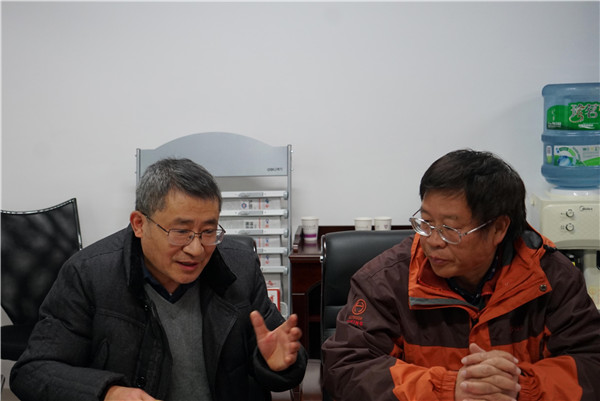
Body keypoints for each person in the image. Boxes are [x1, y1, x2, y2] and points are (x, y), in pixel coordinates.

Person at [10, 158, 307, 401]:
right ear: (139, 224)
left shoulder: (239, 266)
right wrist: (107, 392)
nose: (196, 249)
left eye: (208, 231)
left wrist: (279, 365)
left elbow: (276, 351)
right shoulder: (88, 274)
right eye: (181, 232)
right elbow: (33, 371)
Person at [322, 149, 600, 401]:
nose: (433, 241)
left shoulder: (551, 277)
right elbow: (346, 369)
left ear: (498, 229)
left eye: (450, 230)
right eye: (426, 223)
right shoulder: (385, 280)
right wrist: (449, 388)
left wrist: (518, 387)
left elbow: (591, 363)